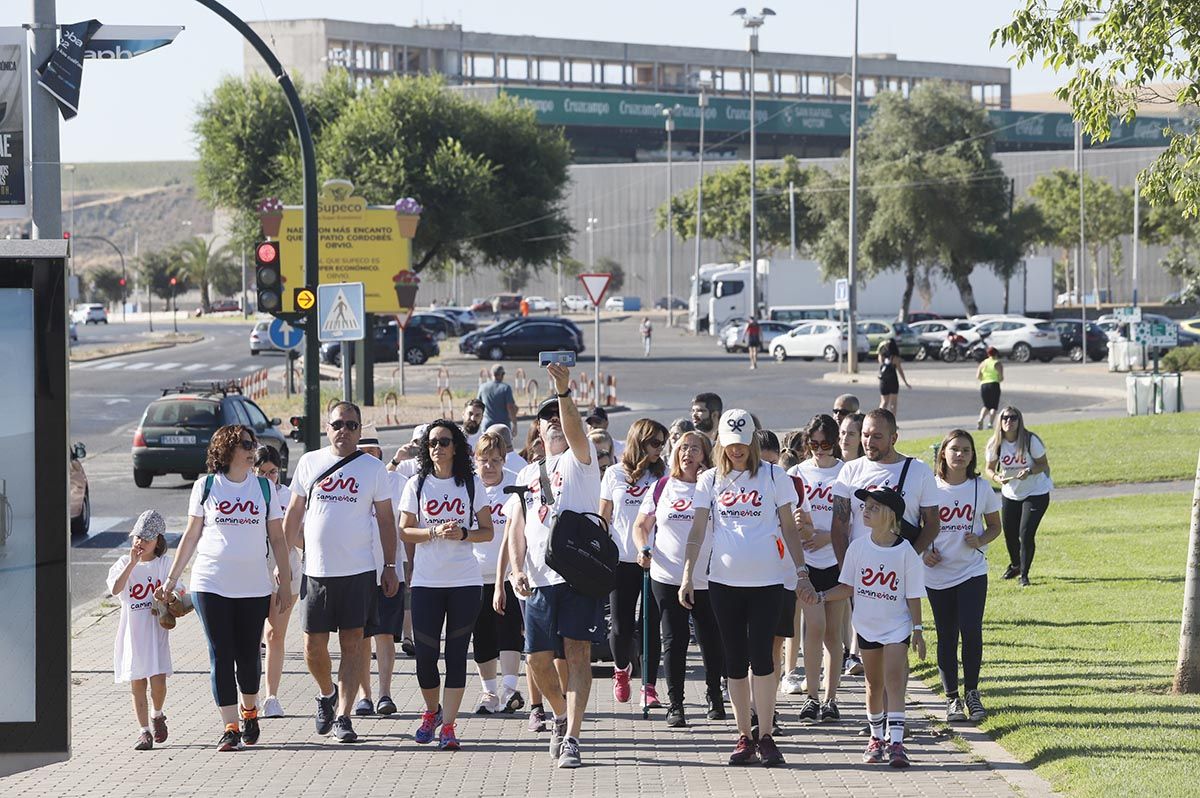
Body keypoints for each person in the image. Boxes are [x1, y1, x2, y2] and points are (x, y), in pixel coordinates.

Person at [680, 409, 817, 768]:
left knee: (763, 659)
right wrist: (687, 573)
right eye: (730, 443)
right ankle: (743, 735)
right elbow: (697, 531)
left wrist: (801, 572)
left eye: (742, 443)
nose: (736, 450)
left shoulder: (774, 476)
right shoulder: (709, 480)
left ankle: (767, 734)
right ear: (720, 443)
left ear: (752, 441)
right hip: (724, 583)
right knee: (735, 662)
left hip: (769, 582)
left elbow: (789, 527)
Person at [161, 425, 291, 752]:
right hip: (211, 582)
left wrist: (285, 582)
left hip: (253, 586)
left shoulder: (264, 489)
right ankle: (230, 726)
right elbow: (191, 536)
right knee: (221, 653)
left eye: (253, 444)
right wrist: (172, 579)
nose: (252, 449)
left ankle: (250, 711)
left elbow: (278, 538)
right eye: (245, 444)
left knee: (248, 654)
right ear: (227, 449)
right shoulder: (206, 486)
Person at [284, 402, 400, 744]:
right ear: (327, 426)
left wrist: (390, 566)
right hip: (317, 572)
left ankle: (345, 718)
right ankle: (326, 693)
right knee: (312, 647)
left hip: (359, 571)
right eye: (337, 424)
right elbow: (293, 515)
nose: (343, 431)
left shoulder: (372, 468)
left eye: (351, 425)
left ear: (359, 430)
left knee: (353, 645)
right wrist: (284, 560)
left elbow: (385, 520)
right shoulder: (310, 462)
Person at [507, 363, 604, 769]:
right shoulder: (527, 473)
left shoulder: (582, 460)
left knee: (578, 654)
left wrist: (564, 394)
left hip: (579, 575)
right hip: (539, 580)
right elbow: (517, 527)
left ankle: (573, 738)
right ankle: (560, 714)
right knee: (536, 659)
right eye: (546, 418)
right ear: (537, 430)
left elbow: (575, 430)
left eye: (559, 417)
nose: (554, 423)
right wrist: (515, 570)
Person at [399, 420, 493, 750]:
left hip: (465, 581)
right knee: (425, 655)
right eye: (433, 442)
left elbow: (488, 531)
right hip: (426, 582)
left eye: (444, 441)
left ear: (456, 447)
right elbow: (404, 530)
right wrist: (433, 532)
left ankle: (449, 726)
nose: (438, 447)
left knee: (456, 655)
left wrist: (464, 533)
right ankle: (431, 711)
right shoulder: (417, 484)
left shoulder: (470, 484)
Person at [818, 486, 926, 769]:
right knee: (873, 684)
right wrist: (820, 596)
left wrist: (918, 630)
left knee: (893, 679)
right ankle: (876, 738)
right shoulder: (858, 548)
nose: (866, 511)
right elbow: (847, 587)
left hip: (897, 627)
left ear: (891, 515)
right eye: (865, 506)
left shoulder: (905, 552)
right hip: (866, 627)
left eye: (874, 507)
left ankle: (898, 742)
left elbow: (913, 595)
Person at [832, 409, 938, 685]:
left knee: (896, 647)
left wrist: (906, 559)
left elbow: (932, 524)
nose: (869, 442)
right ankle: (876, 720)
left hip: (898, 577)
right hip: (863, 575)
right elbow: (839, 526)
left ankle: (897, 718)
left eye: (877, 436)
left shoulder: (919, 472)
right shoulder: (850, 470)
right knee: (870, 652)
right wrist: (847, 570)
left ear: (894, 437)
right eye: (865, 435)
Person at [632, 431, 725, 727]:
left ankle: (714, 694)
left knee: (711, 639)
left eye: (695, 449)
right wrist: (642, 547)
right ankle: (676, 704)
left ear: (705, 455)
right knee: (674, 639)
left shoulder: (712, 486)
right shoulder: (662, 487)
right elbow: (641, 525)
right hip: (666, 574)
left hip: (706, 577)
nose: (688, 454)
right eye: (683, 448)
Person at [927, 429, 1002, 723]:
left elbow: (995, 525)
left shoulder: (980, 488)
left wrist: (981, 540)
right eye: (955, 449)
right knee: (946, 634)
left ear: (972, 456)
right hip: (937, 573)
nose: (960, 455)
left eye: (966, 450)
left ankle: (972, 692)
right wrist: (924, 553)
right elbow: (913, 527)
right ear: (943, 452)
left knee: (971, 630)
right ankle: (952, 699)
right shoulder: (929, 488)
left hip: (971, 570)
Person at [599, 418, 669, 709]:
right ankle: (621, 669)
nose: (658, 450)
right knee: (620, 626)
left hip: (655, 560)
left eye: (662, 444)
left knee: (651, 625)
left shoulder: (663, 474)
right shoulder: (614, 473)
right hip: (622, 560)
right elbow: (603, 518)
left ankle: (649, 686)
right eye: (654, 443)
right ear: (639, 441)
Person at [785, 415, 849, 723]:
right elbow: (789, 519)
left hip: (835, 559)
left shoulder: (845, 472)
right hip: (806, 563)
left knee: (833, 633)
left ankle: (831, 698)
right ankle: (811, 695)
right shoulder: (796, 473)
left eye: (826, 444)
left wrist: (826, 536)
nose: (819, 450)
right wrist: (805, 531)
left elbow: (849, 519)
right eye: (814, 444)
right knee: (814, 628)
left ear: (835, 442)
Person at [108, 510, 174, 751]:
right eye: (137, 537)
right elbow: (116, 589)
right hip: (132, 633)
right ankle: (143, 731)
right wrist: (132, 564)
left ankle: (158, 714)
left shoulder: (165, 564)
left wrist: (168, 595)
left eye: (146, 538)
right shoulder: (124, 563)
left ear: (158, 541)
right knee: (137, 682)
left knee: (157, 682)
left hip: (156, 631)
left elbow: (179, 592)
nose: (140, 542)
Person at [354, 429, 408, 718]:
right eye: (361, 452)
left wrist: (406, 568)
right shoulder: (348, 484)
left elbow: (405, 528)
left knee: (385, 635)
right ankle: (365, 695)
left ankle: (385, 693)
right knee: (361, 637)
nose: (367, 457)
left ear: (379, 455)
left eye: (371, 452)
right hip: (357, 571)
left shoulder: (398, 483)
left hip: (390, 570)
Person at [469, 431, 524, 715]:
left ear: (503, 460)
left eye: (495, 460)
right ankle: (489, 692)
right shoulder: (467, 487)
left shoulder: (516, 484)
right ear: (475, 460)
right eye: (483, 460)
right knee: (482, 635)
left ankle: (510, 690)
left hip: (510, 576)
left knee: (510, 632)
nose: (489, 466)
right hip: (475, 575)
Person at [255, 446, 302, 719]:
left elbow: (304, 541)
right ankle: (249, 696)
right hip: (252, 571)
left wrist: (287, 529)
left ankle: (271, 697)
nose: (268, 477)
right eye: (261, 472)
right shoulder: (248, 495)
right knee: (250, 637)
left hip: (287, 571)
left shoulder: (288, 497)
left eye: (272, 472)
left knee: (274, 634)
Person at [984, 406, 1052, 587]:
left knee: (1026, 533)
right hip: (1011, 493)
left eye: (1013, 418)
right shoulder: (995, 443)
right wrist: (997, 478)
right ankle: (1015, 565)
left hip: (1036, 491)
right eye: (1005, 418)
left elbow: (1043, 465)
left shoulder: (1030, 440)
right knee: (1010, 534)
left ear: (1019, 421)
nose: (1009, 421)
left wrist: (1029, 471)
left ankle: (1024, 575)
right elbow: (989, 469)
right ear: (1000, 421)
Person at [478, 365, 519, 433]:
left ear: (491, 374)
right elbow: (510, 408)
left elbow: (478, 405)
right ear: (502, 374)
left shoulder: (483, 387)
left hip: (487, 424)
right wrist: (514, 424)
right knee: (504, 443)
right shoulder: (505, 388)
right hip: (502, 425)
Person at [877, 339, 910, 416]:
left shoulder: (881, 355)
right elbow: (900, 371)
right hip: (893, 381)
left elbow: (880, 365)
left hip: (883, 381)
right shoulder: (895, 358)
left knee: (884, 402)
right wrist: (906, 383)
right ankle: (892, 422)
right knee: (893, 403)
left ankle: (879, 419)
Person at [976, 347, 1004, 430]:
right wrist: (999, 378)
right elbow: (1001, 377)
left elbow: (978, 376)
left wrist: (984, 379)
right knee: (993, 406)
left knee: (986, 405)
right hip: (994, 384)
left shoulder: (983, 363)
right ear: (996, 354)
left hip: (984, 385)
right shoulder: (997, 363)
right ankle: (990, 423)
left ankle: (981, 419)